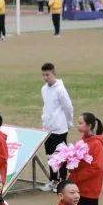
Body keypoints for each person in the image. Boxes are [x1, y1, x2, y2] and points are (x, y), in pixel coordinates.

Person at [65, 112, 103, 205]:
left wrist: (77, 177)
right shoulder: (82, 141)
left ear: (89, 126)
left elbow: (97, 167)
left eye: (81, 123)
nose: (78, 125)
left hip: (90, 188)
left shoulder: (96, 144)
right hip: (79, 187)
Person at [39, 62, 74, 192]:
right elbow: (47, 107)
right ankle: (53, 180)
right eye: (43, 75)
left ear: (54, 74)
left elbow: (68, 107)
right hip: (48, 129)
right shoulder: (44, 89)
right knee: (50, 156)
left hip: (59, 129)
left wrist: (69, 123)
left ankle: (62, 182)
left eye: (47, 75)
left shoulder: (60, 89)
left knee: (60, 156)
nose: (45, 77)